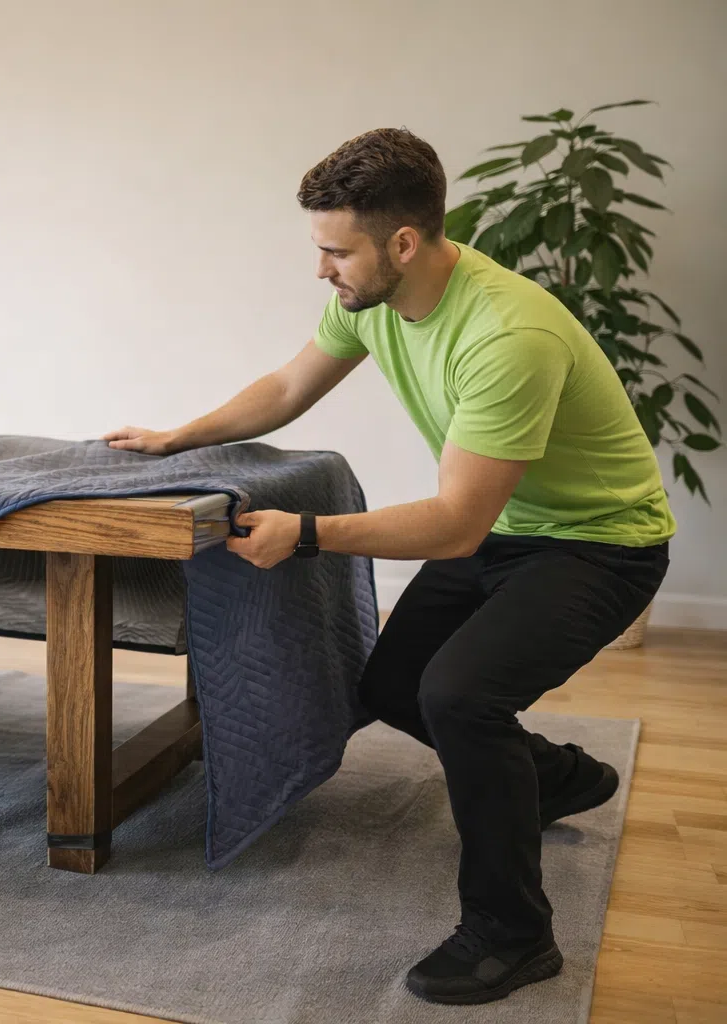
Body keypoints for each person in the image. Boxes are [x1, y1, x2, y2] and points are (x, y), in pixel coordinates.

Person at [104, 128, 671, 1005]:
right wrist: (179, 434)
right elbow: (289, 388)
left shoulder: (507, 334)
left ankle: (513, 932)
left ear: (402, 243)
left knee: (460, 697)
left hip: (599, 542)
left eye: (336, 251)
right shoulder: (372, 300)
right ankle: (555, 778)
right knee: (396, 686)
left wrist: (309, 532)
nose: (322, 269)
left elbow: (453, 524)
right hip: (503, 529)